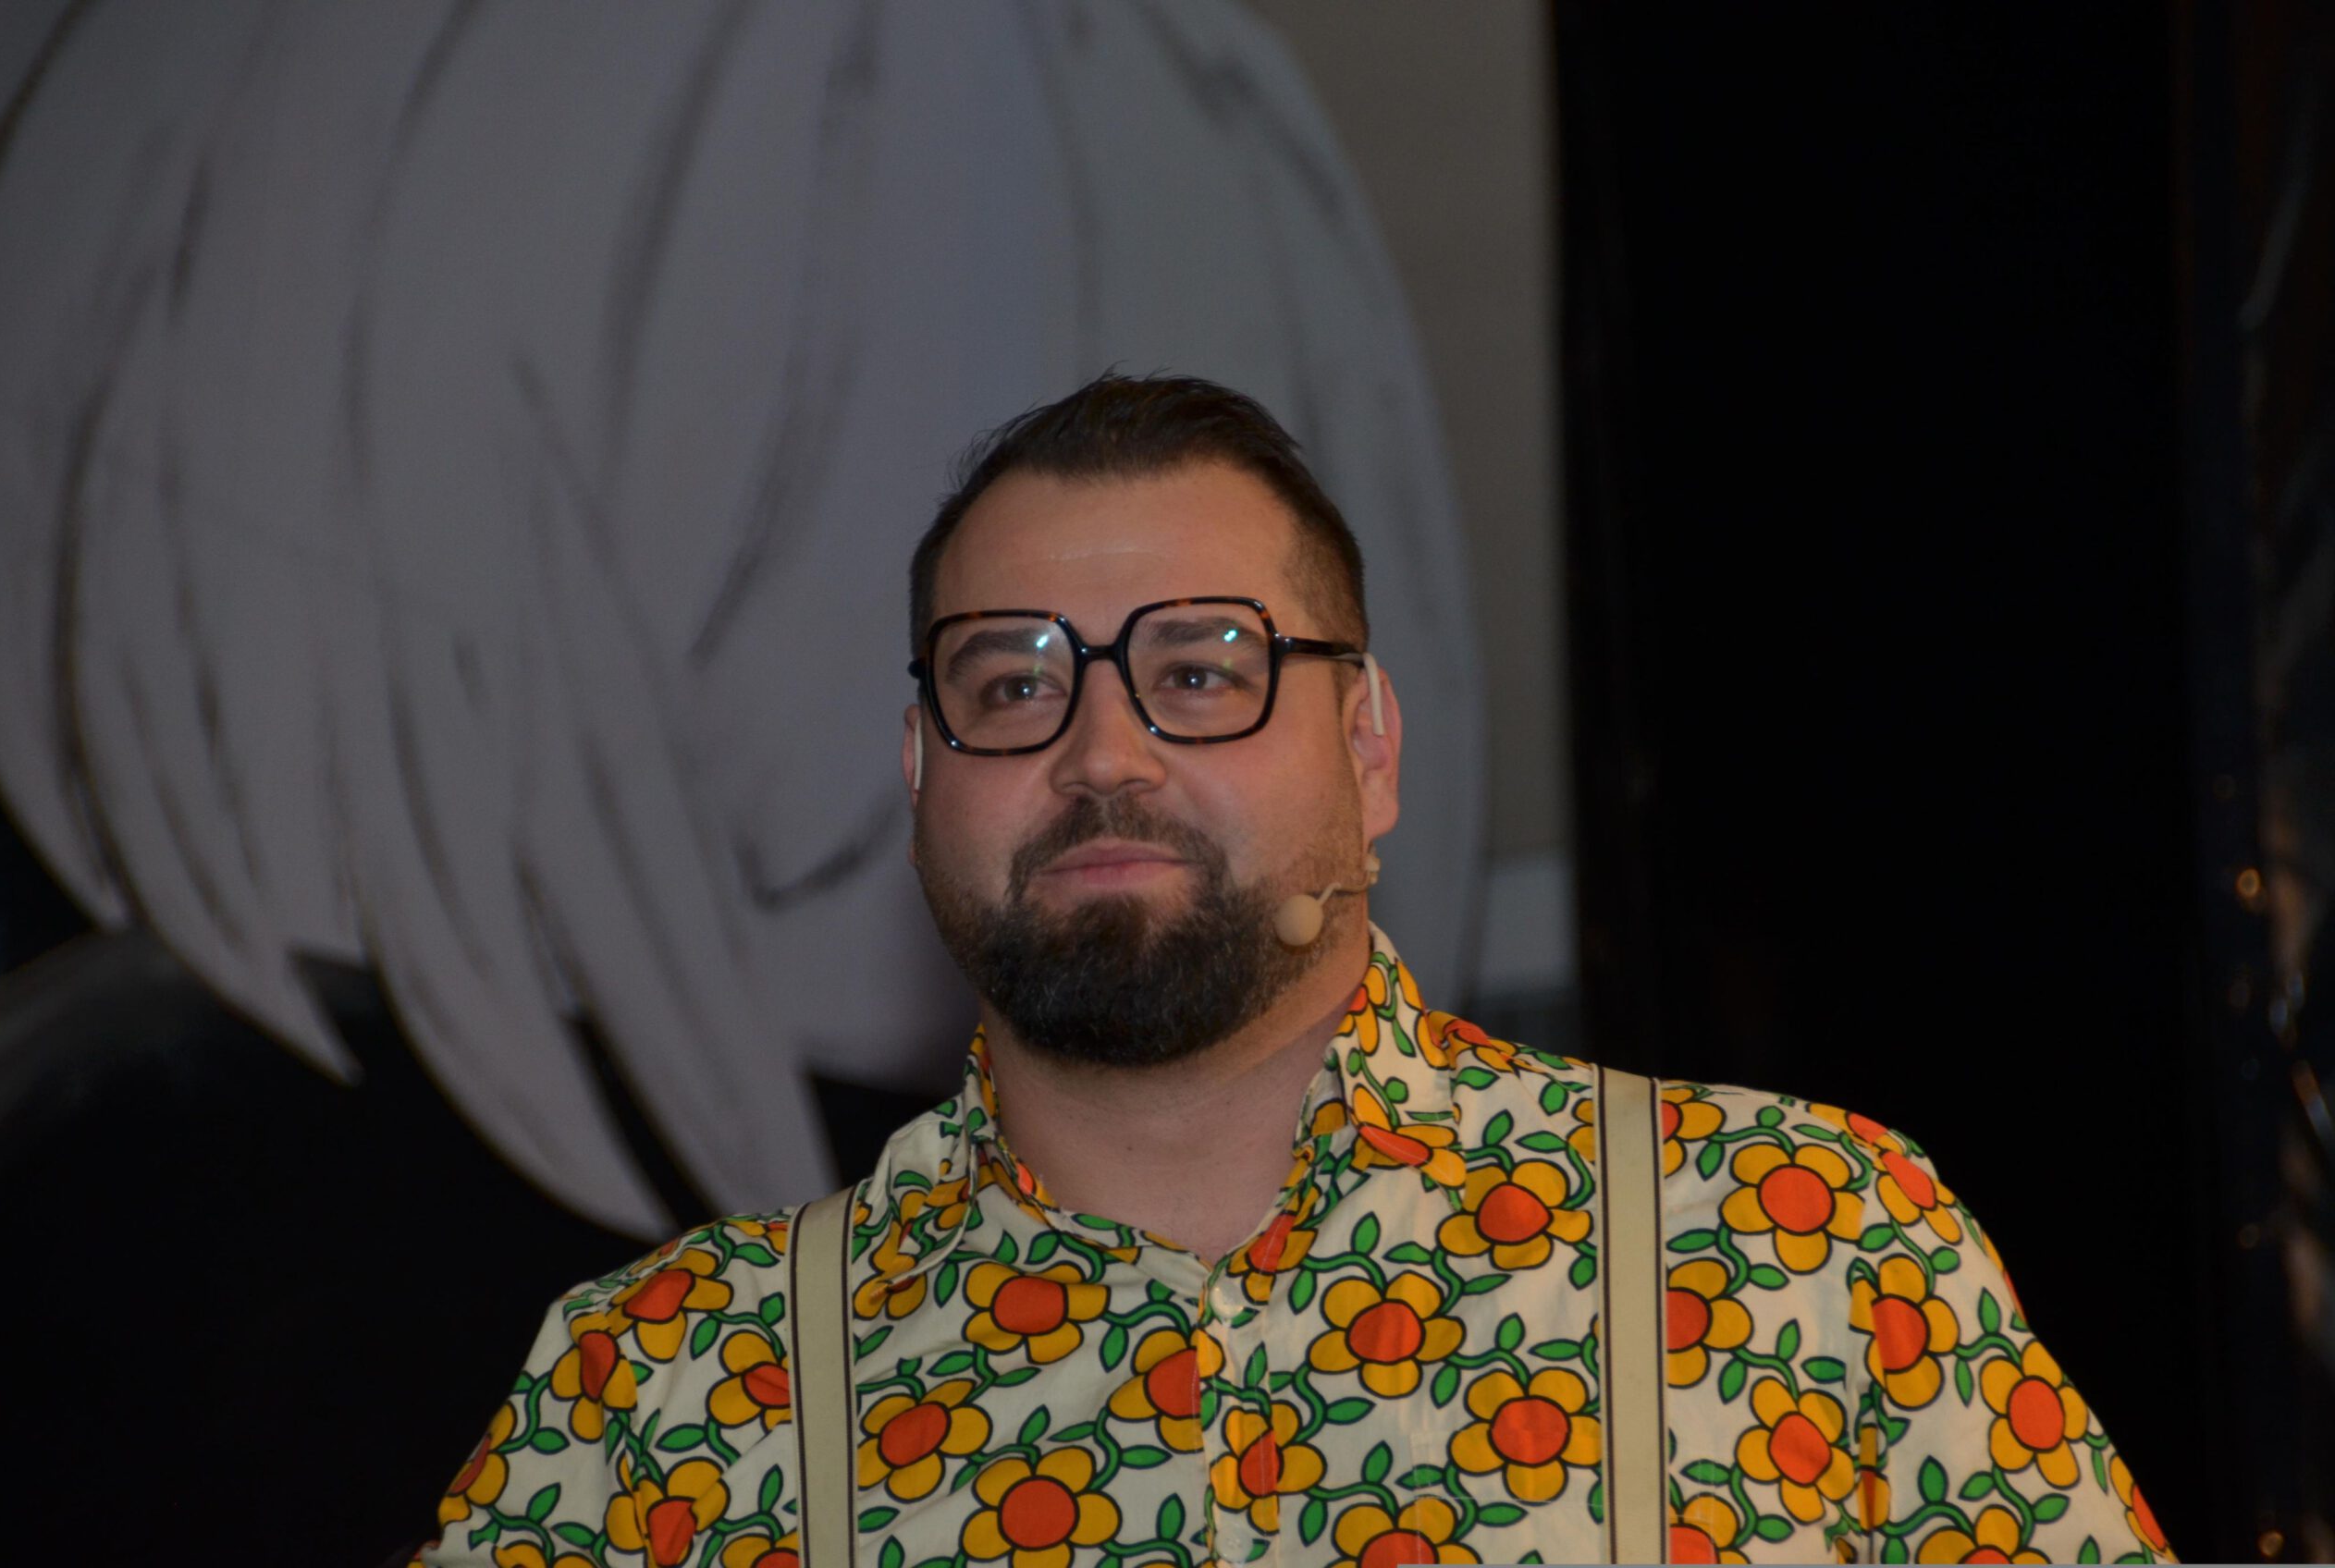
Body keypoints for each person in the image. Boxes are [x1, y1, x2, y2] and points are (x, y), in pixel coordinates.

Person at [416, 375, 2172, 1567]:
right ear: (920, 770)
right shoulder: (658, 1398)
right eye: (1015, 682)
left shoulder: (1810, 1249)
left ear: (1371, 746)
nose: (1103, 751)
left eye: (1202, 669)